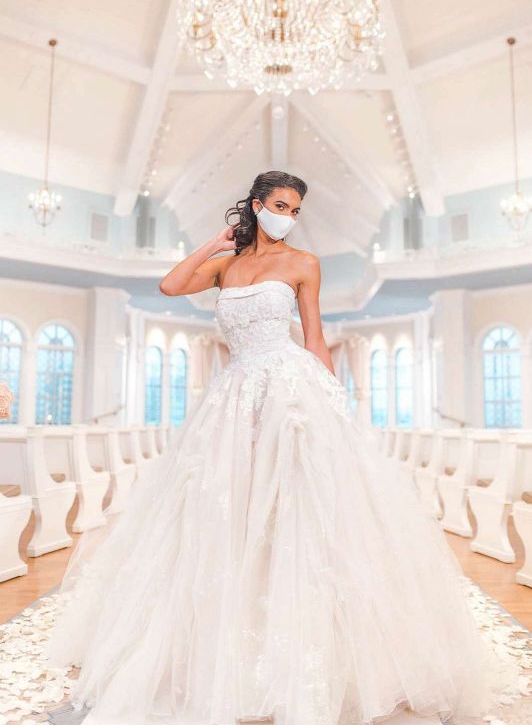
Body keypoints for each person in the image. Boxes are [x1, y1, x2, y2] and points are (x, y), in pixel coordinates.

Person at [47, 171, 524, 725]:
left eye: (296, 209)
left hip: (293, 392)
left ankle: (308, 637)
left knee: (300, 504)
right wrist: (212, 244)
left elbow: (316, 337)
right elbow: (171, 287)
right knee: (227, 505)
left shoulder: (304, 264)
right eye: (280, 205)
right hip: (231, 398)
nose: (288, 217)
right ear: (256, 204)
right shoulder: (224, 265)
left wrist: (334, 402)